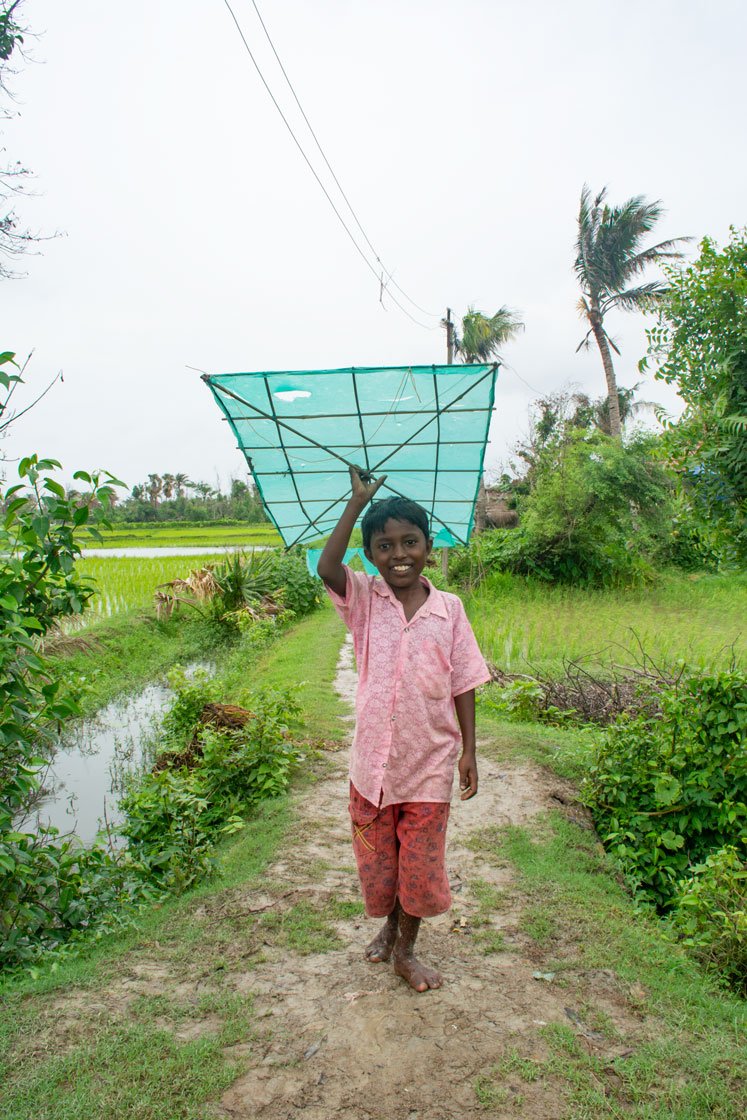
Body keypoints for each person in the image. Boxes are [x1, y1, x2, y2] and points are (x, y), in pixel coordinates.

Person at [317, 466, 491, 992]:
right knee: (382, 864)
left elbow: (464, 680)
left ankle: (406, 951)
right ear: (370, 554)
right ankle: (389, 929)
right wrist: (356, 503)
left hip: (429, 764)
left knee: (418, 866)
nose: (399, 554)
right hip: (373, 766)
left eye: (409, 542)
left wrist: (469, 751)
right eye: (385, 545)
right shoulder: (366, 600)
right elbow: (327, 566)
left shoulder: (450, 609)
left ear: (428, 545)